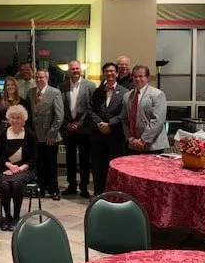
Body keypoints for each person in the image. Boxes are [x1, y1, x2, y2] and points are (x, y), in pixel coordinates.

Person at [0, 104, 37, 231]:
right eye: (12, 117)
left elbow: (34, 158)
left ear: (23, 119)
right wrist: (9, 165)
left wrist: (20, 168)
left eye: (18, 117)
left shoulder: (29, 134)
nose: (15, 120)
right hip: (6, 168)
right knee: (5, 184)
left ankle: (16, 217)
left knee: (17, 184)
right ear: (9, 119)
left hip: (25, 169)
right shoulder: (3, 134)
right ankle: (7, 217)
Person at [59, 59, 95, 198]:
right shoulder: (62, 86)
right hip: (68, 129)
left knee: (85, 159)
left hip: (84, 129)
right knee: (70, 158)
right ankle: (72, 185)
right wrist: (67, 124)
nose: (75, 71)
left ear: (81, 69)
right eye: (72, 69)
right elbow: (60, 108)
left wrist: (79, 123)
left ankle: (84, 186)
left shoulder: (90, 86)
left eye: (77, 68)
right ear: (68, 71)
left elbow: (91, 107)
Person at [88, 62, 126, 196]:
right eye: (106, 71)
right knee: (98, 166)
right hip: (98, 136)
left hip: (115, 136)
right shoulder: (97, 91)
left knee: (115, 167)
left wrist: (109, 125)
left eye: (112, 71)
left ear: (117, 73)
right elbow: (90, 110)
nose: (109, 74)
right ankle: (98, 194)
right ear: (103, 74)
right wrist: (100, 124)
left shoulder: (125, 92)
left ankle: (114, 194)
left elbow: (124, 114)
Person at [27, 69, 63, 200]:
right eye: (37, 77)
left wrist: (52, 133)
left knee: (51, 165)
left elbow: (59, 116)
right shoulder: (31, 92)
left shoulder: (55, 92)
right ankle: (41, 188)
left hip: (50, 136)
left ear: (47, 78)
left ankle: (54, 190)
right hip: (35, 135)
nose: (38, 79)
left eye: (41, 77)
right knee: (39, 164)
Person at [121, 64, 169, 154]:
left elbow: (157, 121)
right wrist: (130, 138)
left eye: (141, 76)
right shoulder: (127, 96)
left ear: (148, 78)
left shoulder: (157, 94)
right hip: (133, 145)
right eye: (135, 76)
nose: (137, 79)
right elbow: (124, 118)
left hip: (153, 146)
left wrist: (143, 140)